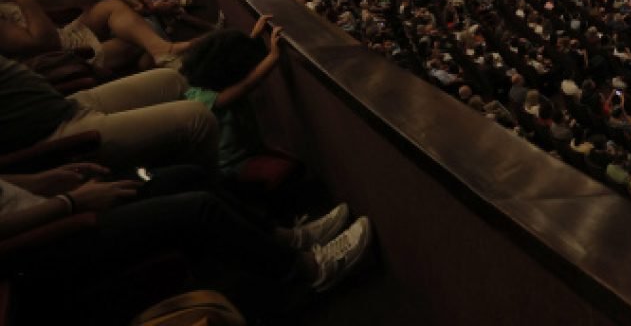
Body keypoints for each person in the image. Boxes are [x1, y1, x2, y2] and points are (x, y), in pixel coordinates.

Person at [0, 167, 372, 298]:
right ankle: (311, 269)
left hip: (48, 207)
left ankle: (290, 238)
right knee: (197, 207)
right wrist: (71, 202)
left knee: (185, 176)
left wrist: (40, 180)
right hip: (40, 247)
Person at [0, 54, 218, 169]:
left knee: (170, 79)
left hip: (62, 103)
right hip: (51, 133)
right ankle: (215, 184)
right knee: (196, 117)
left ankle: (179, 168)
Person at [179, 16, 284, 174]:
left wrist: (253, 36)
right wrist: (273, 57)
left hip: (247, 151)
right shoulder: (205, 98)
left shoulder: (201, 86)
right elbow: (247, 84)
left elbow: (228, 58)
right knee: (288, 171)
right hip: (230, 166)